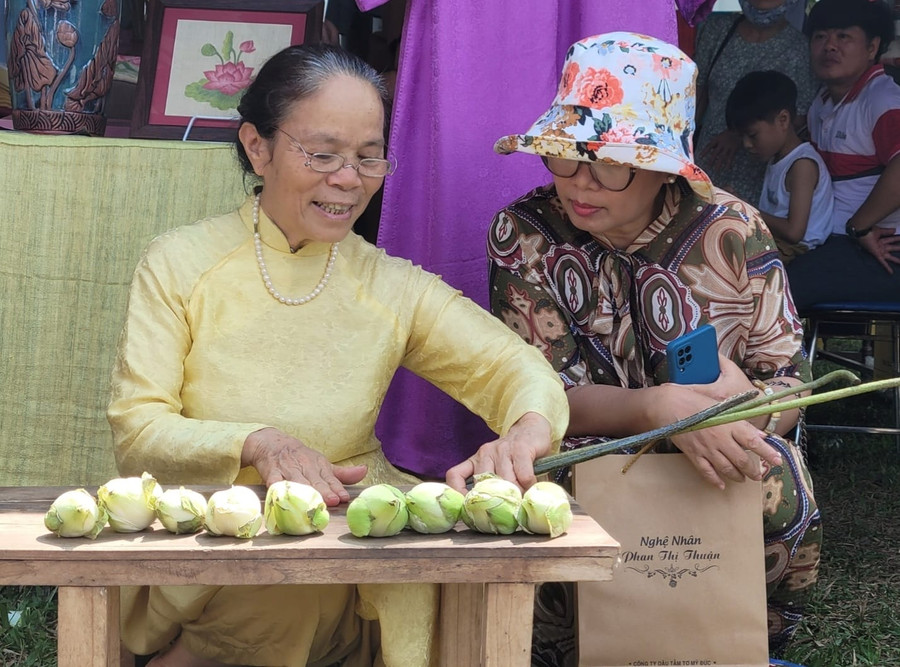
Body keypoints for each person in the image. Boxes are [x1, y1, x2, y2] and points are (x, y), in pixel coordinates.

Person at [107, 43, 568, 667]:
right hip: (216, 534)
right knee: (283, 596)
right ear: (258, 147)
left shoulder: (389, 283)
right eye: (323, 154)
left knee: (459, 587)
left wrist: (526, 431)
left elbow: (514, 367)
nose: (349, 179)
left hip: (352, 530)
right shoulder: (181, 263)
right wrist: (260, 445)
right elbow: (139, 428)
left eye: (368, 157)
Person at [490, 32, 822, 659]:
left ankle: (746, 638)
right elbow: (533, 395)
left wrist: (740, 410)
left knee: (777, 476)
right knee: (533, 502)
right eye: (565, 156)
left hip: (719, 448)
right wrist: (656, 408)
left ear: (663, 164)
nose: (580, 183)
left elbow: (791, 380)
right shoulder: (524, 234)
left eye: (610, 163)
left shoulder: (731, 229)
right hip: (583, 449)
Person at [786, 0, 900, 308]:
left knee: (774, 292)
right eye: (820, 37)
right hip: (836, 243)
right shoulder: (821, 105)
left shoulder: (883, 99)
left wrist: (858, 226)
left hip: (884, 250)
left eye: (843, 37)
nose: (829, 46)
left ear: (872, 46)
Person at [694, 0, 818, 206]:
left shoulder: (800, 49)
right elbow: (698, 93)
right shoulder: (717, 30)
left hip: (757, 170)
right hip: (709, 157)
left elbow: (799, 117)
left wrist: (740, 134)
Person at [725, 69, 835, 263]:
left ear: (783, 120)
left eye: (752, 135)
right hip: (774, 242)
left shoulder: (802, 165)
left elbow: (794, 232)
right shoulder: (778, 159)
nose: (746, 144)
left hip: (795, 250)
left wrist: (744, 206)